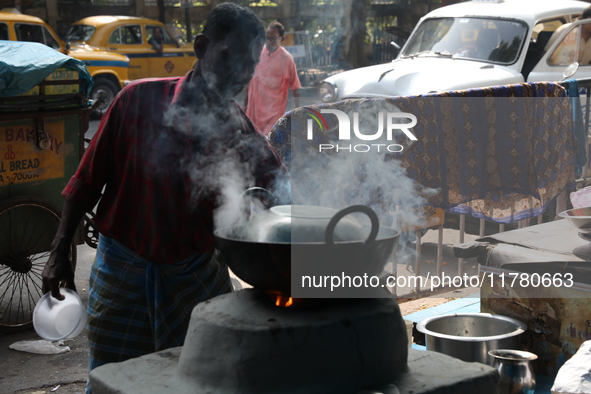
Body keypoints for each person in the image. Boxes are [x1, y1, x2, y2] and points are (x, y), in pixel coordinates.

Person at [41, 3, 287, 392]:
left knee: (199, 380)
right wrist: (58, 253)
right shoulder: (136, 100)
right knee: (113, 380)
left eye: (248, 63)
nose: (239, 73)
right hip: (122, 273)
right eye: (229, 56)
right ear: (201, 46)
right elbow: (86, 182)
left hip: (195, 278)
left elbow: (283, 197)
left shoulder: (240, 130)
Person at [244, 21, 301, 136]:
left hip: (274, 115)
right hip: (254, 113)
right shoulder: (257, 53)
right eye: (267, 38)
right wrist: (245, 105)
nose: (269, 42)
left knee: (270, 145)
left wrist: (298, 112)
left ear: (282, 39)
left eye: (274, 39)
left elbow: (295, 87)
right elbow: (249, 80)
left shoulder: (287, 59)